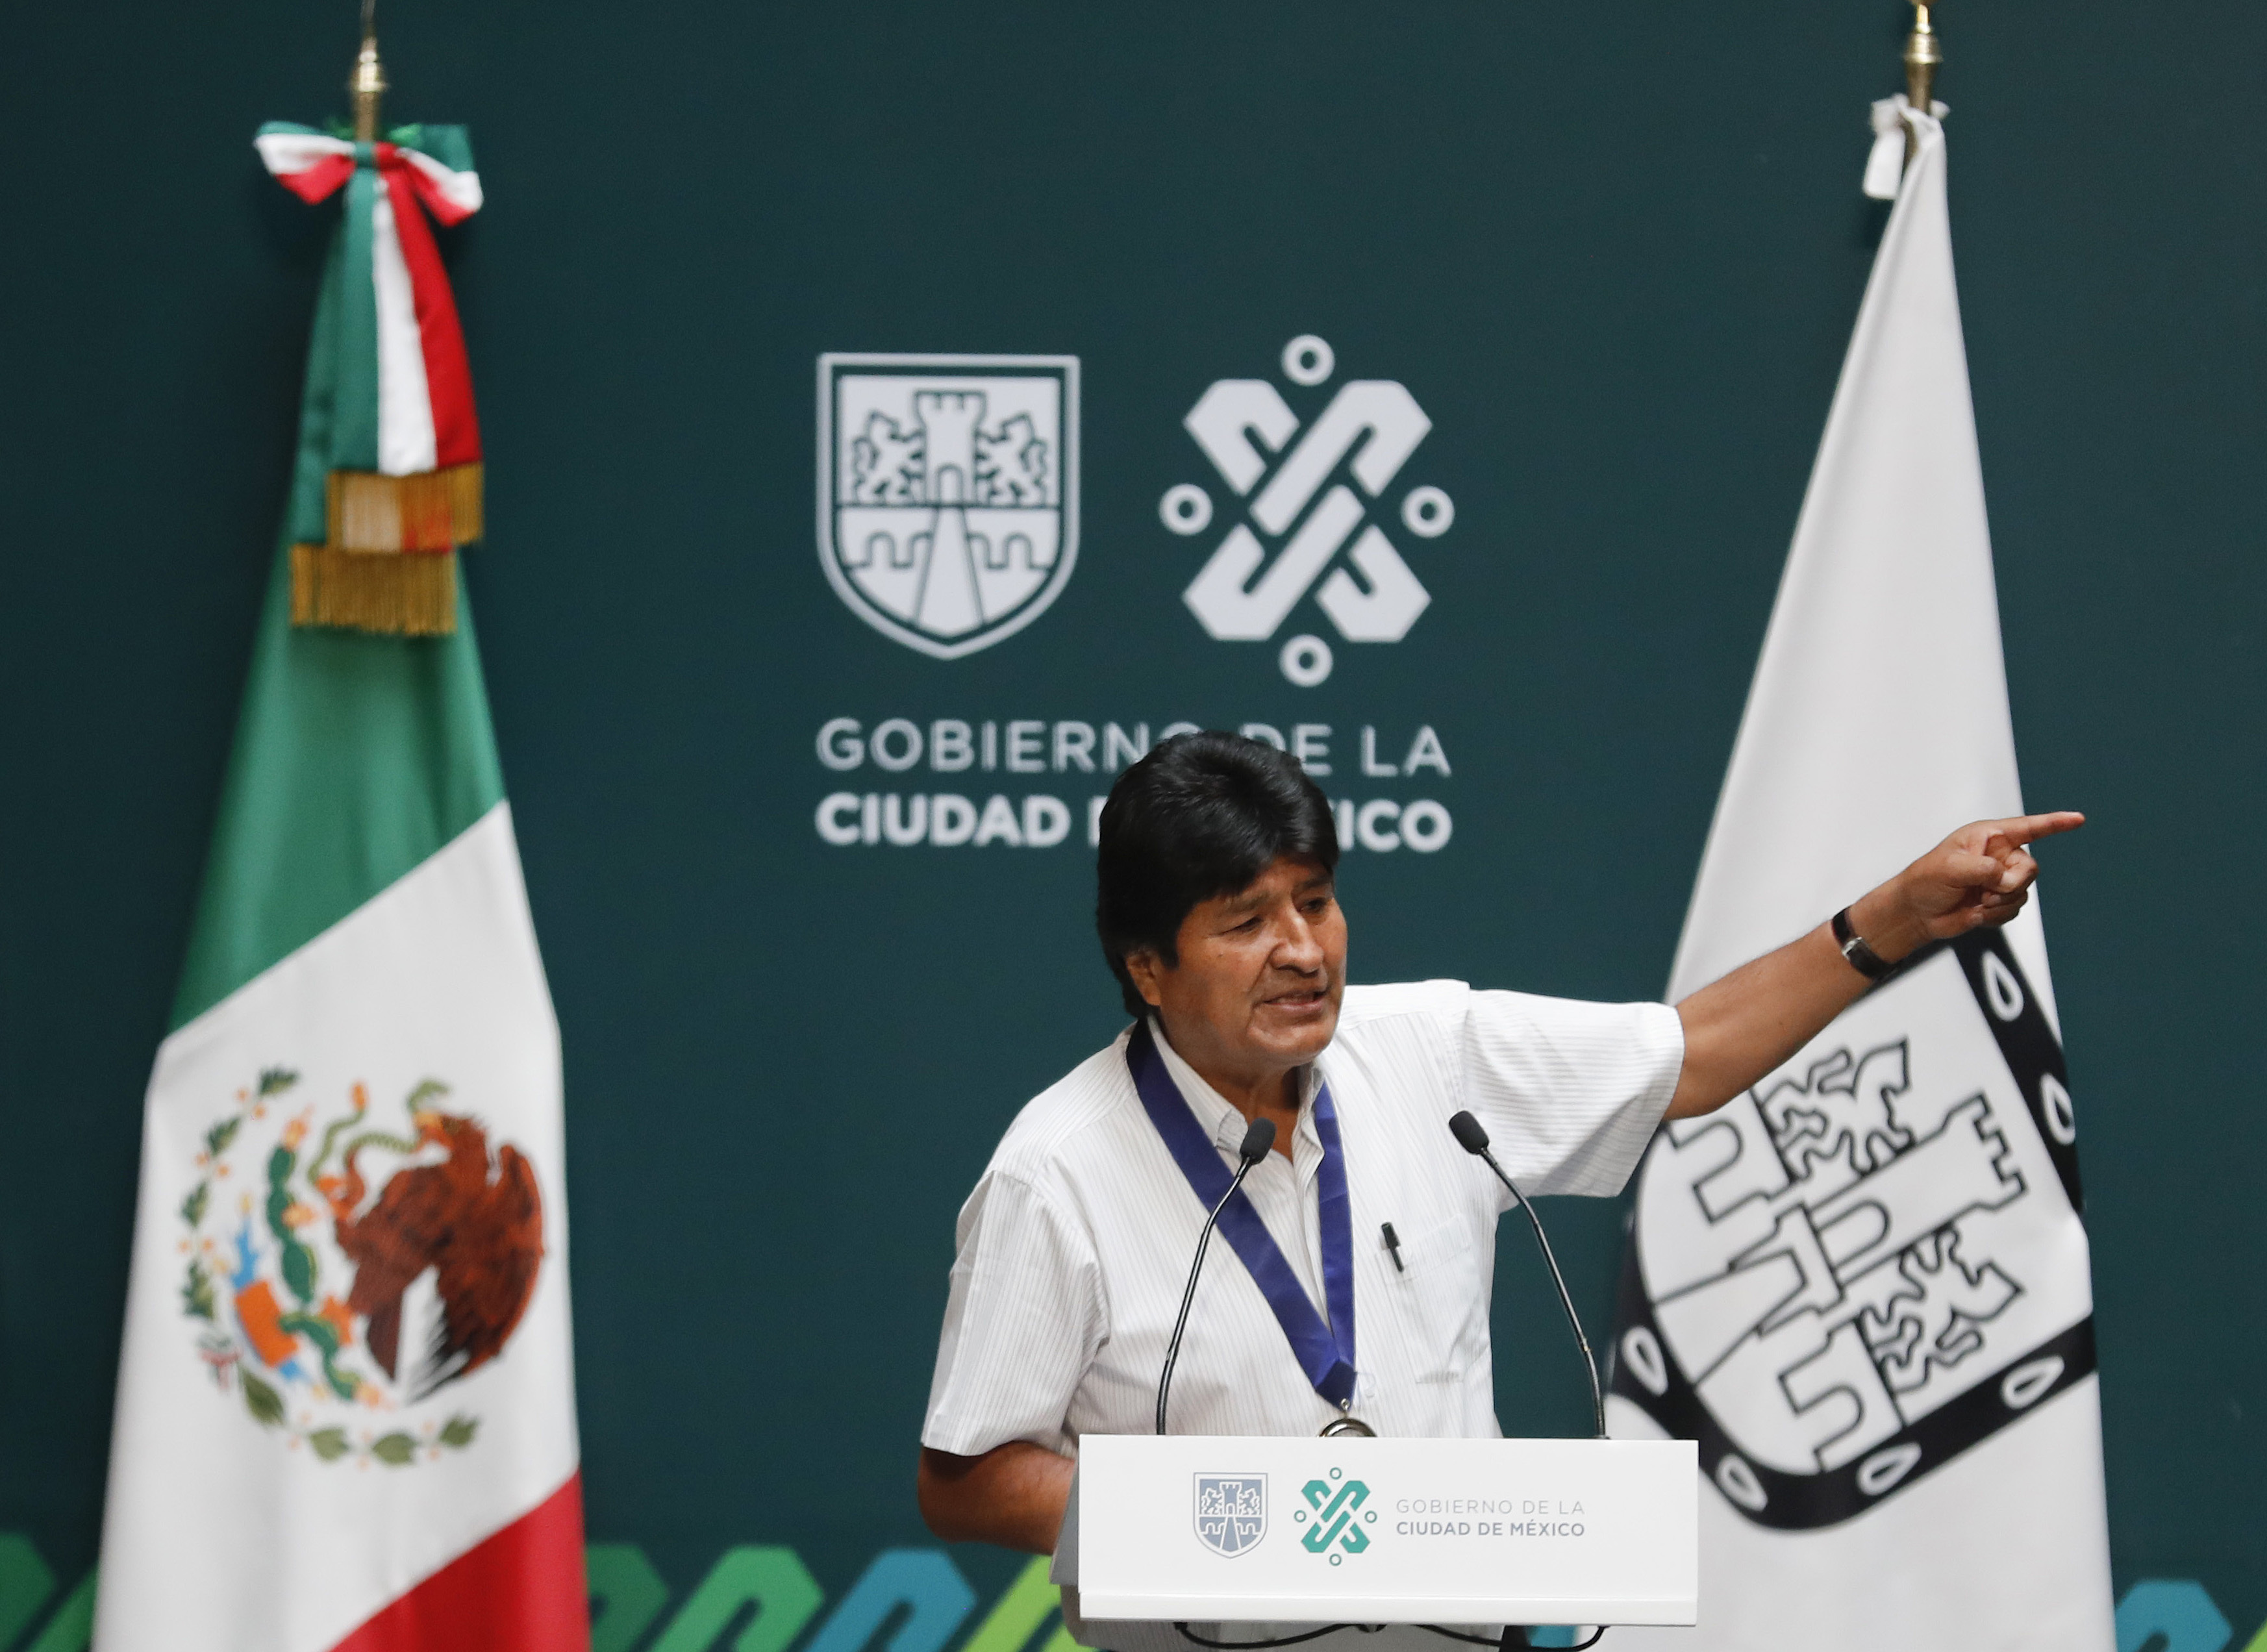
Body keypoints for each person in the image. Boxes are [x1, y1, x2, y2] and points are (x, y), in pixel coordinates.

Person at [916, 731, 2081, 1564]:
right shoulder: (1059, 1170)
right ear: (1147, 967)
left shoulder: (1432, 1053)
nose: (1302, 951)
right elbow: (965, 1478)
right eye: (1245, 923)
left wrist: (1895, 918)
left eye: (1314, 903)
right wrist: (1203, 1527)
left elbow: (1698, 1052)